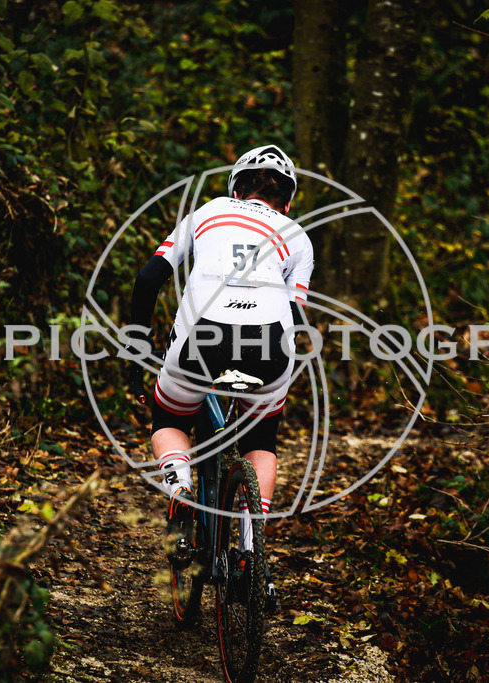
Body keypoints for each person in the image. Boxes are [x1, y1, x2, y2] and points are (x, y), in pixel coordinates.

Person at [126, 144, 314, 576]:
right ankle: (251, 548)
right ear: (287, 199)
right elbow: (296, 314)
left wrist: (138, 351)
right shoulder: (297, 235)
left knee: (169, 420)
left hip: (201, 342)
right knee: (260, 442)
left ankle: (181, 487)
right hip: (271, 347)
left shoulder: (209, 212)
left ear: (236, 187)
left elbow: (148, 277)